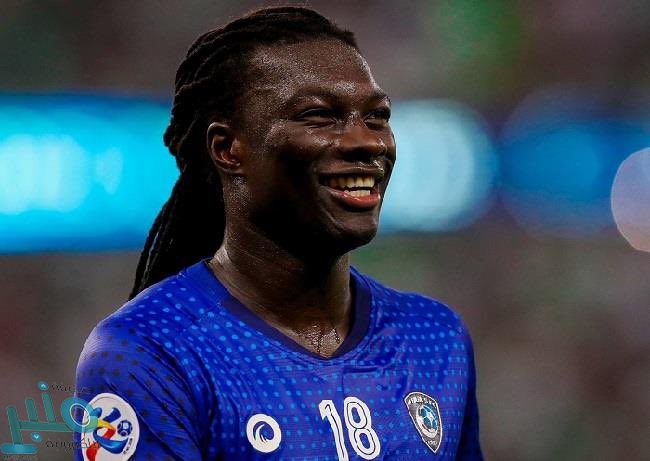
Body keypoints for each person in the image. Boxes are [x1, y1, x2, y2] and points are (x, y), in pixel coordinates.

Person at [74, 6, 483, 460]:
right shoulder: (146, 353)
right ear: (228, 149)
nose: (367, 142)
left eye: (377, 116)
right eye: (318, 116)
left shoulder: (435, 338)